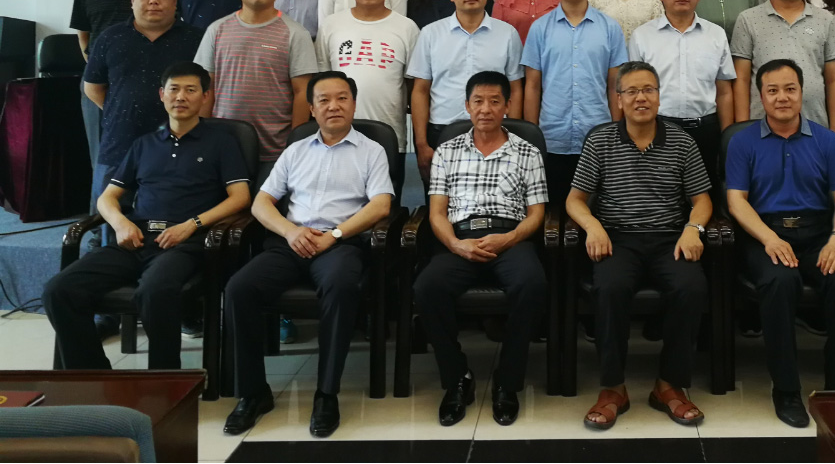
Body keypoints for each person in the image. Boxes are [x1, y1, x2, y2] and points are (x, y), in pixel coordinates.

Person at [44, 62, 249, 371]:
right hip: (136, 238)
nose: (181, 97)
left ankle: (164, 379)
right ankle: (92, 376)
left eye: (190, 90)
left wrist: (191, 225)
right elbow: (107, 198)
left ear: (206, 96)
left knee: (155, 291)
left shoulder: (222, 142)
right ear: (162, 94)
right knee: (59, 290)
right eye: (174, 89)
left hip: (184, 243)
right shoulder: (144, 144)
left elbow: (240, 197)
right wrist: (120, 224)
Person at [223, 72, 394, 439]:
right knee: (239, 289)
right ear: (312, 109)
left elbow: (381, 205)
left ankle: (326, 394)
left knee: (341, 286)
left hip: (340, 244)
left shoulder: (372, 150)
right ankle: (253, 393)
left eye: (342, 98)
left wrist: (334, 235)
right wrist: (290, 231)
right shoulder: (296, 150)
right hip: (291, 242)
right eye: (324, 100)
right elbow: (261, 203)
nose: (334, 106)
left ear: (354, 103)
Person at [567, 61, 713, 431]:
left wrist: (693, 229)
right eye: (631, 91)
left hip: (669, 237)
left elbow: (702, 200)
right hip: (618, 238)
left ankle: (669, 385)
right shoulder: (600, 141)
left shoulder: (681, 141)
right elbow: (575, 200)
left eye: (648, 89)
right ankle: (613, 388)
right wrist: (593, 227)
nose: (641, 98)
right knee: (609, 288)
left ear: (659, 96)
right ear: (618, 100)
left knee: (691, 286)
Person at [725, 59, 835, 427]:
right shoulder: (742, 142)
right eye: (773, 90)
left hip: (819, 234)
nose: (782, 97)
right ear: (761, 96)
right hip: (765, 234)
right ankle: (786, 389)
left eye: (790, 89)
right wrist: (769, 238)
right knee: (780, 281)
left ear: (803, 92)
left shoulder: (827, 140)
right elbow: (736, 201)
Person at [415, 71, 548, 428]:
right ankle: (458, 377)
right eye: (478, 101)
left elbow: (537, 214)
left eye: (494, 101)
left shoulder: (528, 152)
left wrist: (510, 238)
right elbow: (437, 213)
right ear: (467, 106)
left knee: (532, 283)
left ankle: (508, 380)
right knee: (427, 287)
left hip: (510, 237)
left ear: (507, 106)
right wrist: (455, 244)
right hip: (460, 238)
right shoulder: (447, 151)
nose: (485, 109)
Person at [83, 0, 205, 243]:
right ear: (132, 0)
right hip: (119, 144)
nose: (154, 1)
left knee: (171, 224)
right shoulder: (110, 37)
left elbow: (207, 89)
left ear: (176, 1)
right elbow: (92, 87)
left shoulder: (196, 39)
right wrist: (120, 111)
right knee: (111, 225)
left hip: (178, 146)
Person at [523, 0, 627, 208]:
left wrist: (617, 132)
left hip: (598, 136)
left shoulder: (610, 28)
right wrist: (532, 136)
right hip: (552, 137)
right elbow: (532, 87)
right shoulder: (540, 28)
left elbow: (615, 87)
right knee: (553, 211)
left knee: (596, 211)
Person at [195, 0, 316, 169]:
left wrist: (294, 146)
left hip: (275, 152)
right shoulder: (217, 30)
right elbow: (206, 88)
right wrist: (201, 138)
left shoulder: (296, 33)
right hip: (221, 147)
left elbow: (302, 93)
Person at [408, 0, 524, 187]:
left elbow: (516, 89)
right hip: (442, 131)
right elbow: (420, 91)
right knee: (441, 201)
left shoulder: (507, 34)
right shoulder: (430, 34)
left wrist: (512, 133)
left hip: (495, 131)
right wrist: (421, 143)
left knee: (494, 197)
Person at [629, 0, 736, 185]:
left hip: (706, 131)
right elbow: (634, 92)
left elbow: (724, 91)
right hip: (657, 130)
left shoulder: (716, 35)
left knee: (706, 194)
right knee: (659, 195)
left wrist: (726, 137)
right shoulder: (642, 36)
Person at [71, 0, 146, 245]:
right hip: (99, 83)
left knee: (149, 151)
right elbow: (83, 33)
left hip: (144, 81)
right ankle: (98, 234)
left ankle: (143, 222)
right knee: (102, 157)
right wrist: (95, 65)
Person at [731, 0, 835, 134]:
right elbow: (741, 79)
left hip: (815, 127)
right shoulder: (748, 19)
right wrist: (743, 131)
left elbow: (834, 80)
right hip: (761, 129)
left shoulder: (826, 20)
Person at [316, 0, 420, 159]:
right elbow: (321, 80)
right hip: (337, 134)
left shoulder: (407, 28)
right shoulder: (330, 25)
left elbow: (413, 86)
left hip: (389, 134)